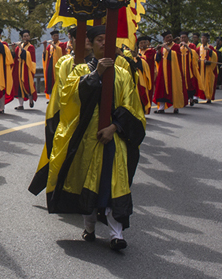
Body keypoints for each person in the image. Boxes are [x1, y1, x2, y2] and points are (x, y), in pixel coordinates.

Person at [29, 25, 145, 250]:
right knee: (87, 182)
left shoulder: (122, 73)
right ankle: (89, 227)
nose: (103, 43)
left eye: (107, 39)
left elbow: (133, 107)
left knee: (113, 184)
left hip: (113, 139)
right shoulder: (80, 71)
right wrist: (97, 75)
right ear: (90, 43)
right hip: (86, 138)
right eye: (99, 40)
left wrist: (115, 126)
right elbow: (70, 99)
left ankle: (116, 233)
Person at [153, 32, 186, 114]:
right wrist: (158, 51)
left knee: (174, 87)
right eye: (167, 37)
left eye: (170, 37)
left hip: (173, 71)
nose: (169, 39)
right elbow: (158, 59)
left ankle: (176, 107)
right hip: (163, 71)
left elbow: (177, 57)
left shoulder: (176, 46)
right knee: (161, 88)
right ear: (164, 39)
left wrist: (168, 49)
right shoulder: (162, 47)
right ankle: (161, 107)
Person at [13, 29, 38, 110]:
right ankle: (21, 104)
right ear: (22, 38)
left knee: (27, 84)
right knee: (19, 86)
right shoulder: (18, 47)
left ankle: (31, 99)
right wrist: (14, 49)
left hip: (27, 69)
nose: (26, 37)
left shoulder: (31, 47)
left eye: (27, 36)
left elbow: (26, 56)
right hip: (19, 69)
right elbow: (15, 57)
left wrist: (20, 47)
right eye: (24, 36)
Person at [43, 29, 68, 100]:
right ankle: (51, 98)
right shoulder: (49, 46)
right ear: (52, 37)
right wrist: (45, 46)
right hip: (50, 64)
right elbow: (45, 56)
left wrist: (53, 45)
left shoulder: (61, 44)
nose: (56, 37)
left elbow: (61, 52)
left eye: (57, 35)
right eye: (54, 36)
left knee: (57, 80)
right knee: (50, 80)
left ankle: (57, 98)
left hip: (58, 65)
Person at [195, 33, 218, 104]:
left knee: (208, 82)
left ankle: (209, 97)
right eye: (202, 38)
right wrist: (197, 60)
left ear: (207, 39)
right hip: (200, 69)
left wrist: (210, 51)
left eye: (204, 38)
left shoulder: (210, 47)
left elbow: (215, 57)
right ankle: (197, 97)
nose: (203, 39)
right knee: (199, 82)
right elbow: (195, 57)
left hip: (208, 68)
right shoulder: (199, 48)